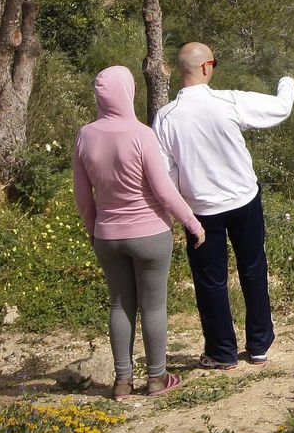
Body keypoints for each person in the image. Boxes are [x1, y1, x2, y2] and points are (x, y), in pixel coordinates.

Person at [153, 42, 294, 369]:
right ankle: (259, 345)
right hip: (243, 199)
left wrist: (177, 214)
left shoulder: (165, 118)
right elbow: (280, 108)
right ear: (206, 67)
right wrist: (287, 82)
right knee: (253, 268)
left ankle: (222, 352)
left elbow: (166, 174)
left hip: (200, 210)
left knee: (210, 281)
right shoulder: (228, 100)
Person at [73, 65, 206, 400]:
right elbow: (163, 191)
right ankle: (157, 379)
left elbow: (82, 197)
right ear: (128, 92)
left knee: (119, 305)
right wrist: (192, 222)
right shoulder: (141, 134)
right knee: (153, 308)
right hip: (149, 234)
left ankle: (121, 382)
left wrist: (95, 233)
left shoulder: (85, 135)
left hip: (108, 235)